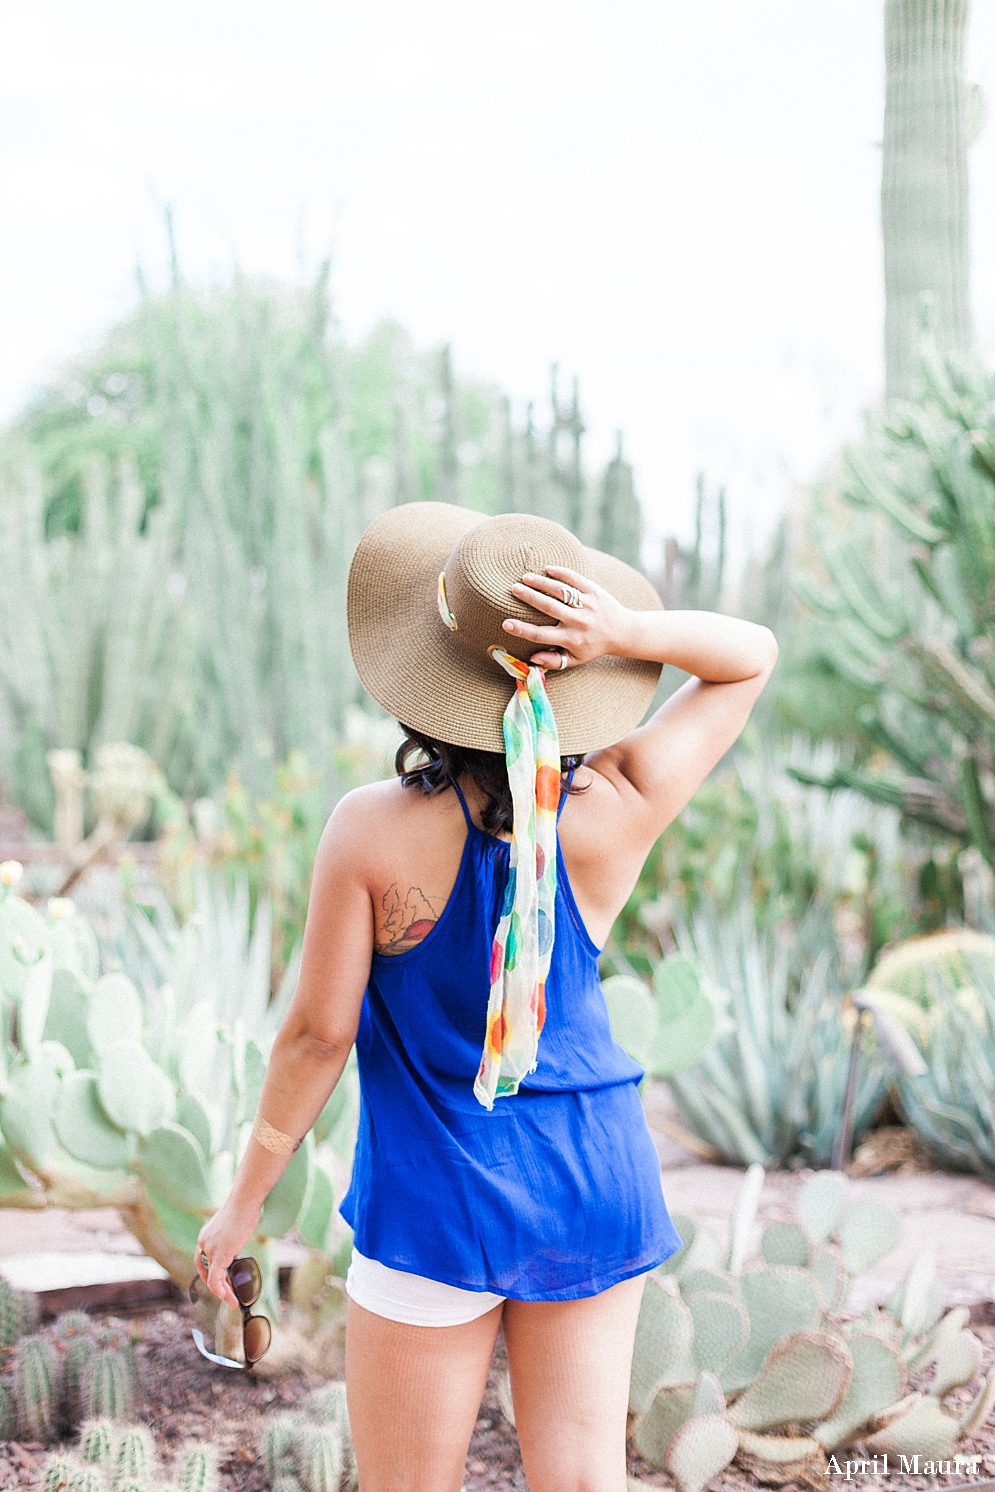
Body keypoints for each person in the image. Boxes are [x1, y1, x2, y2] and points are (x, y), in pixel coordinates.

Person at [195, 503, 778, 1492]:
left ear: (422, 678)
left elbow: (315, 1037)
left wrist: (243, 1203)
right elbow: (748, 656)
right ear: (577, 668)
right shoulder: (622, 802)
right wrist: (626, 631)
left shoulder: (368, 831)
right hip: (592, 1180)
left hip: (436, 1201)